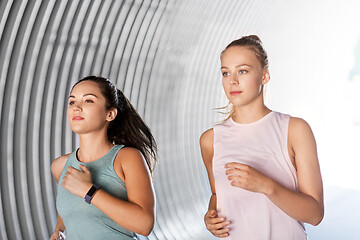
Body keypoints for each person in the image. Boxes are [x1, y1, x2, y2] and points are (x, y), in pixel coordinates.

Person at [200, 35, 324, 239]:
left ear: (264, 77)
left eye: (243, 71)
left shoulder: (294, 129)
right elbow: (217, 195)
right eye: (225, 73)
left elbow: (315, 214)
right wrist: (210, 217)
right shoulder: (210, 140)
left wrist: (265, 185)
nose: (232, 81)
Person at [50, 76, 157, 239]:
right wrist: (58, 233)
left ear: (110, 114)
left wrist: (89, 191)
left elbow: (145, 224)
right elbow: (67, 220)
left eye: (88, 101)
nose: (76, 108)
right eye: (72, 102)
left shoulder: (127, 158)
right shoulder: (60, 166)